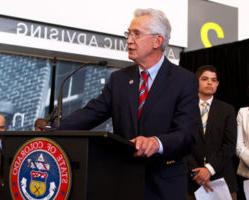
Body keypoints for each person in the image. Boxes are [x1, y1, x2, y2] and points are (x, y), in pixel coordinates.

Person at [59, 8, 199, 200]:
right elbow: (92, 113)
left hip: (164, 184)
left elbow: (187, 134)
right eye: (128, 33)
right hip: (123, 180)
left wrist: (156, 142)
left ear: (157, 41)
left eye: (136, 34)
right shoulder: (119, 79)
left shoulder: (184, 80)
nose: (129, 40)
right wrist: (54, 129)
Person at [185, 65, 237, 200]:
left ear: (217, 84)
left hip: (222, 180)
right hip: (191, 181)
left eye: (213, 80)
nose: (209, 82)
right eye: (205, 79)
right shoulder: (184, 108)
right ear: (195, 82)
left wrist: (209, 169)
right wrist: (196, 173)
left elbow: (230, 145)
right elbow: (181, 143)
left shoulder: (227, 110)